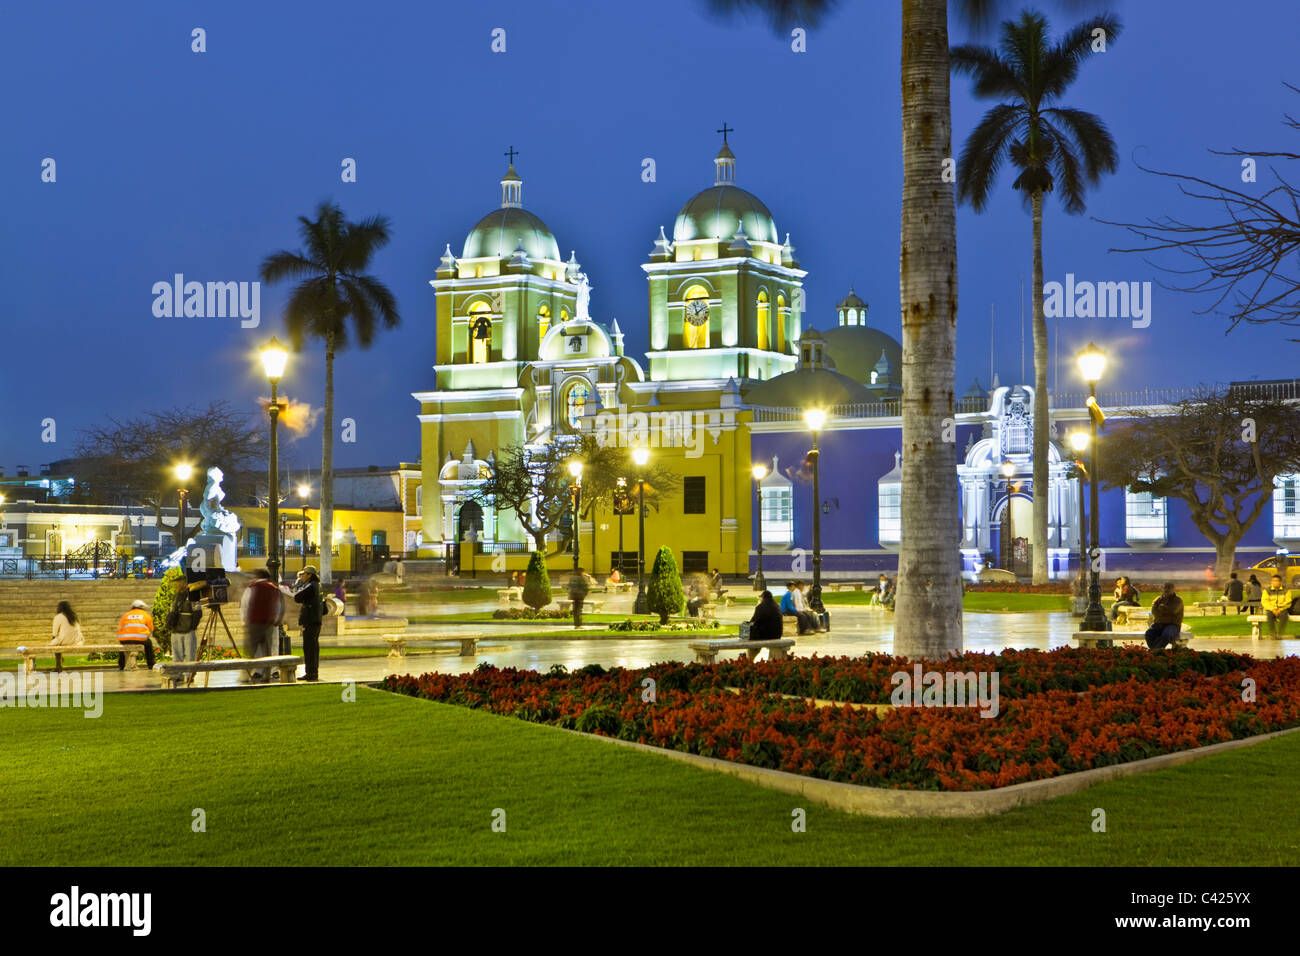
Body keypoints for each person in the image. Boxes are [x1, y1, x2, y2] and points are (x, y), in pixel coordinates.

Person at [240, 568, 284, 683]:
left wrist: (244, 621)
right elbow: (278, 605)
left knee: (251, 650)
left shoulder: (252, 588)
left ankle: (246, 674)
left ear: (257, 576)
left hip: (254, 622)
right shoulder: (274, 588)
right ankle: (267, 675)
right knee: (267, 650)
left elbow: (245, 605)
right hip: (268, 623)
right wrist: (276, 619)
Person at [293, 566, 323, 681]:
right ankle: (312, 672)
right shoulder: (318, 586)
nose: (302, 576)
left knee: (309, 648)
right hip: (316, 620)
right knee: (313, 647)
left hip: (310, 621)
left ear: (310, 575)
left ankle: (311, 673)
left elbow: (297, 597)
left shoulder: (311, 586)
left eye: (304, 574)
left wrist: (299, 584)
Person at [165, 578, 203, 667]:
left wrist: (192, 626)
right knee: (177, 656)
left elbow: (198, 612)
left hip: (187, 630)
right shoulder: (175, 596)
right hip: (176, 629)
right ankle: (178, 675)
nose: (175, 585)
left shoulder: (192, 596)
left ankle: (189, 675)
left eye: (177, 583)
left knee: (190, 655)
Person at [116, 599, 156, 670]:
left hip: (125, 639)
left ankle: (121, 665)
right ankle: (151, 664)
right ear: (142, 607)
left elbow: (121, 628)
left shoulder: (126, 615)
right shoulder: (145, 615)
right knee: (149, 644)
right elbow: (151, 629)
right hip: (140, 639)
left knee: (122, 648)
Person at [1144, 582, 1184, 650]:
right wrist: (1164, 611)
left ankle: (1155, 651)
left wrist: (1161, 608)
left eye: (1169, 588)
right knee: (1148, 634)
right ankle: (1156, 650)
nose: (1167, 590)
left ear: (1173, 589)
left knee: (1167, 635)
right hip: (1159, 624)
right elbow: (1154, 611)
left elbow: (1173, 611)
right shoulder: (1158, 599)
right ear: (1162, 589)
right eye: (1165, 588)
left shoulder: (1178, 600)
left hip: (1173, 625)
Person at [1261, 573, 1292, 638]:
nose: (1274, 582)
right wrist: (1273, 609)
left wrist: (1280, 609)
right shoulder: (1267, 590)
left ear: (1280, 582)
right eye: (1273, 581)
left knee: (1284, 615)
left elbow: (1288, 602)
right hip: (1271, 609)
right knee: (1269, 615)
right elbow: (1264, 601)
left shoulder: (1286, 590)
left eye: (1276, 581)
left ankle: (1280, 634)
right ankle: (1273, 633)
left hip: (1282, 609)